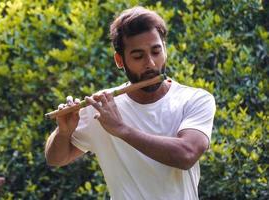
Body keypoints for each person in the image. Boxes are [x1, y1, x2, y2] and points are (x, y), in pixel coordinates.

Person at [45, 6, 216, 200]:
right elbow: (56, 159)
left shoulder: (194, 100)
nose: (150, 63)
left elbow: (187, 154)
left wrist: (121, 129)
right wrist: (63, 132)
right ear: (120, 60)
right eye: (138, 56)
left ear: (165, 50)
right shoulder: (103, 106)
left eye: (156, 51)